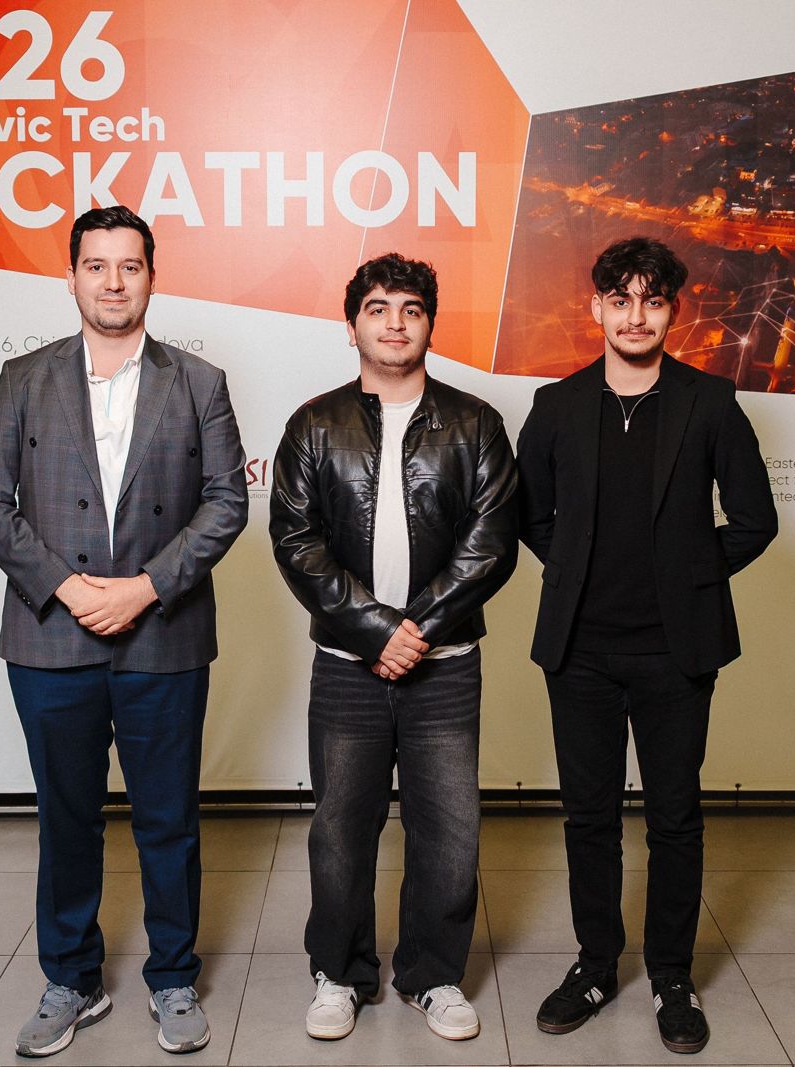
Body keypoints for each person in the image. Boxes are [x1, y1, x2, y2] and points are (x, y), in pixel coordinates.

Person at [0, 206, 247, 1057]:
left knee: (168, 817)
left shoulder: (198, 382)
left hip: (163, 637)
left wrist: (145, 589)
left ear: (152, 277)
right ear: (71, 277)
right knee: (66, 818)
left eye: (130, 266)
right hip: (51, 640)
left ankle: (173, 978)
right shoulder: (23, 378)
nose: (113, 282)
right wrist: (67, 587)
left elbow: (227, 501)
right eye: (96, 265)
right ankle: (71, 978)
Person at [516, 237, 777, 1054]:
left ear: (673, 311)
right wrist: (577, 571)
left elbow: (755, 519)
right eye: (621, 299)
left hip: (676, 651)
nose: (636, 315)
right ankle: (596, 964)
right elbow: (530, 515)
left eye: (652, 300)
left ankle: (671, 973)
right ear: (595, 307)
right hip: (581, 652)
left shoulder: (710, 402)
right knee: (588, 817)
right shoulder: (557, 404)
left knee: (674, 817)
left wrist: (688, 576)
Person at [269, 253, 518, 1043]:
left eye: (410, 308)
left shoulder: (476, 423)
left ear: (429, 324)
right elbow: (296, 541)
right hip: (349, 666)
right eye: (377, 308)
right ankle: (339, 973)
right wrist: (376, 632)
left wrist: (419, 632)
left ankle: (432, 974)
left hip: (445, 668)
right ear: (352, 326)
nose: (394, 323)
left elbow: (491, 545)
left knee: (449, 830)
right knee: (341, 829)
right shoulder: (314, 425)